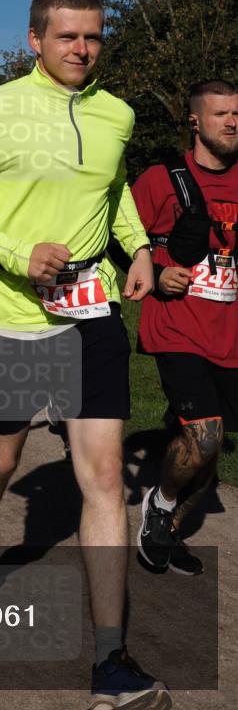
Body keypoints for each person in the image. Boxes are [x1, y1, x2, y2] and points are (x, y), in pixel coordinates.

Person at [0, 0, 169, 709]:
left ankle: (111, 660)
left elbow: (110, 187)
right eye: (67, 38)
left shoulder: (115, 112)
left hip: (90, 314)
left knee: (103, 475)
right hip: (9, 318)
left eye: (92, 37)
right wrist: (16, 251)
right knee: (1, 455)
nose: (82, 50)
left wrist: (138, 245)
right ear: (35, 40)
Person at [132, 79, 237, 576]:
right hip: (177, 325)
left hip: (230, 333)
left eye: (237, 114)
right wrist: (155, 269)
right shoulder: (161, 178)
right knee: (207, 433)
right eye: (221, 114)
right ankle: (161, 501)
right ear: (195, 121)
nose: (232, 122)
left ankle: (169, 532)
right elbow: (120, 235)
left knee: (207, 448)